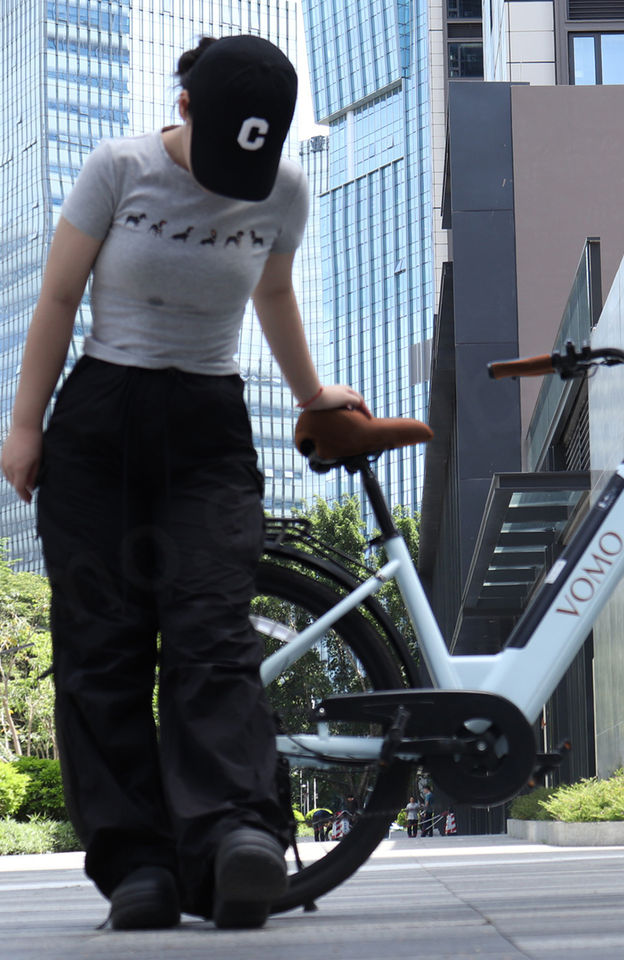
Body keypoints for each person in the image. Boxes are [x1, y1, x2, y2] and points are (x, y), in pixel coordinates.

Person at [0, 35, 370, 931]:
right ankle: (138, 867)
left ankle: (236, 837)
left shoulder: (283, 188)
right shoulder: (118, 167)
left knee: (212, 630)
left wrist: (312, 395)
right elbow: (58, 299)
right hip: (101, 423)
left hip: (209, 430)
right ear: (186, 106)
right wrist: (24, 424)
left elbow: (273, 294)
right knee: (103, 645)